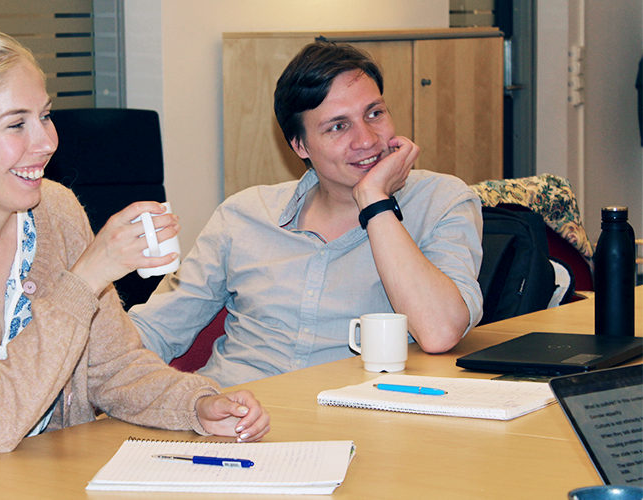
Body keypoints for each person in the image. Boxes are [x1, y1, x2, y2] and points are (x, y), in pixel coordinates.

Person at [0, 30, 269, 484]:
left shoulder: (54, 210)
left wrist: (196, 404)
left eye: (45, 115)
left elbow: (113, 367)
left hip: (44, 480)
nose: (46, 141)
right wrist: (87, 276)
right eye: (16, 123)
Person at [130, 42, 483, 387]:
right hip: (231, 416)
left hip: (359, 423)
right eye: (338, 126)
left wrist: (374, 201)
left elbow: (439, 332)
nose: (367, 139)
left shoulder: (441, 200)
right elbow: (158, 328)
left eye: (374, 113)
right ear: (300, 146)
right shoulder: (244, 216)